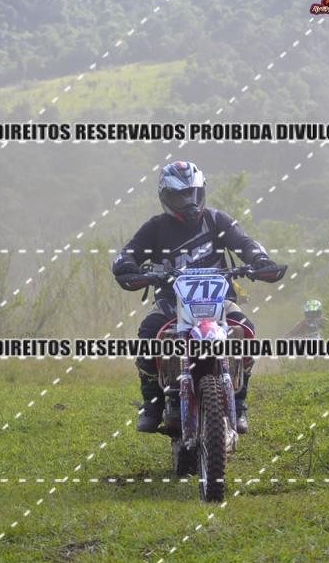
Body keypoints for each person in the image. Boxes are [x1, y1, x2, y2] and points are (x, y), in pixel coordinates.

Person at [112, 160, 283, 434]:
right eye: (179, 196)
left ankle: (239, 404)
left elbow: (245, 243)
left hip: (219, 302)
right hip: (171, 302)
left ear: (201, 191)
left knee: (246, 330)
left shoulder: (217, 220)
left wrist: (259, 260)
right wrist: (129, 267)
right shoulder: (155, 228)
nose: (188, 202)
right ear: (165, 197)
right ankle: (152, 405)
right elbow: (127, 255)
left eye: (192, 194)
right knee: (148, 334)